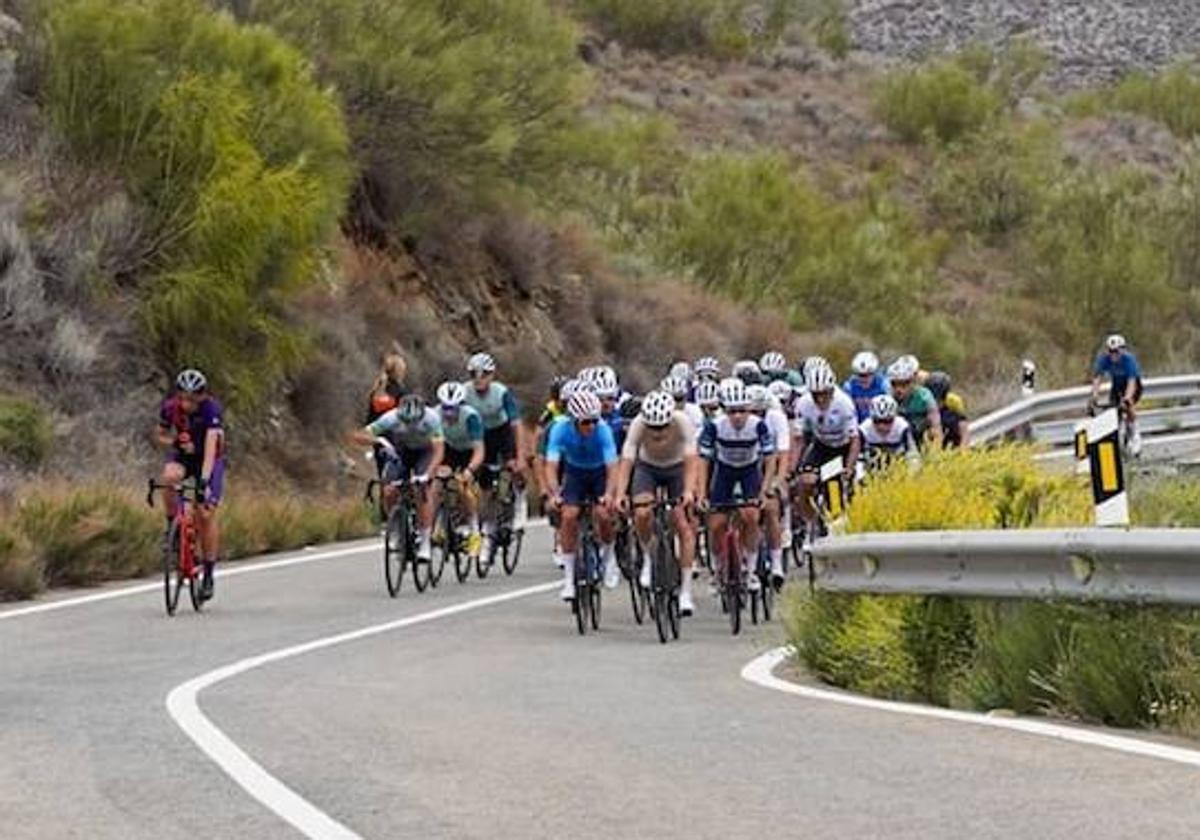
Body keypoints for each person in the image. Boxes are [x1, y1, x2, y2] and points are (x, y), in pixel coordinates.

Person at [615, 391, 701, 615]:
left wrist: (690, 491)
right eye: (653, 427)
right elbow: (627, 460)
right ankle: (648, 556)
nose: (658, 432)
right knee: (642, 514)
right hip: (648, 468)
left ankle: (685, 592)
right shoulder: (638, 424)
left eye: (662, 427)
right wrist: (620, 494)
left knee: (683, 524)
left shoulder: (683, 422)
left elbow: (692, 461)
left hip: (677, 467)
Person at [698, 378, 775, 593]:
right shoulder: (714, 427)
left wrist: (765, 490)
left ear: (749, 409)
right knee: (716, 525)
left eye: (742, 410)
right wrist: (702, 493)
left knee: (750, 516)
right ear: (724, 411)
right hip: (724, 472)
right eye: (732, 412)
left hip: (750, 471)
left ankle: (750, 572)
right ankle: (716, 572)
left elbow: (770, 459)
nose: (738, 416)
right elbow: (703, 462)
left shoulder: (758, 425)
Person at [156, 369, 226, 601]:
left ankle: (208, 573)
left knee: (205, 514)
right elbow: (160, 434)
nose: (187, 404)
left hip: (208, 460)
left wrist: (204, 482)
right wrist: (173, 440)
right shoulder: (170, 408)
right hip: (184, 459)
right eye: (183, 398)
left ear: (202, 397)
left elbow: (209, 450)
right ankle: (172, 528)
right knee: (169, 477)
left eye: (192, 399)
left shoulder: (211, 411)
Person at [544, 390, 619, 601]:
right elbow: (551, 466)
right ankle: (569, 579)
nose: (591, 427)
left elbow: (613, 467)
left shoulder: (603, 430)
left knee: (604, 515)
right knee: (568, 516)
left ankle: (608, 555)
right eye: (586, 423)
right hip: (575, 473)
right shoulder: (560, 429)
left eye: (594, 421)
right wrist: (554, 493)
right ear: (574, 420)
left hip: (599, 473)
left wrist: (609, 494)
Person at [352, 394, 444, 562]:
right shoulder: (391, 418)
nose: (411, 426)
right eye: (406, 422)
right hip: (401, 451)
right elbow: (359, 435)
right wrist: (377, 439)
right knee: (389, 490)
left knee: (421, 490)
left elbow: (439, 451)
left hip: (425, 452)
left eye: (414, 422)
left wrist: (428, 474)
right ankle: (395, 529)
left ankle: (425, 541)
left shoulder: (432, 418)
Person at [463, 352, 528, 545]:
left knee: (513, 465)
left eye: (484, 374)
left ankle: (520, 501)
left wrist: (521, 455)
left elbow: (517, 424)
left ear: (491, 376)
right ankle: (489, 523)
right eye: (473, 374)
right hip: (482, 436)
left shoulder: (501, 392)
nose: (478, 379)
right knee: (486, 484)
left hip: (503, 432)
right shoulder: (465, 392)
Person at [794, 364, 860, 537]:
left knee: (832, 486)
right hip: (821, 446)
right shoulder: (803, 403)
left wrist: (849, 467)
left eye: (825, 394)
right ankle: (810, 524)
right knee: (805, 481)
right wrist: (792, 467)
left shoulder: (844, 403)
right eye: (816, 395)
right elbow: (799, 439)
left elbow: (855, 440)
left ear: (832, 390)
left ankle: (836, 530)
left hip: (843, 448)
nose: (821, 399)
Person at [435, 382, 485, 559]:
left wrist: (470, 471)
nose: (449, 413)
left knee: (463, 487)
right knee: (436, 485)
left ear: (461, 405)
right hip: (448, 449)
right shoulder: (435, 415)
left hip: (469, 452)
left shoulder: (471, 417)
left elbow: (479, 450)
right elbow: (431, 447)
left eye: (453, 409)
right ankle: (440, 525)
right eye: (446, 408)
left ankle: (474, 532)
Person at [749, 384, 791, 585]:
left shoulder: (777, 418)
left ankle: (776, 563)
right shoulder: (739, 421)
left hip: (770, 464)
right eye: (752, 412)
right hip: (748, 465)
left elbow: (783, 455)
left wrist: (778, 481)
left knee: (771, 508)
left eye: (760, 412)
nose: (756, 416)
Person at [1091, 334, 1143, 454]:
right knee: (1114, 411)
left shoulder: (1129, 360)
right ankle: (1117, 437)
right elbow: (1097, 378)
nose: (1113, 354)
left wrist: (1127, 398)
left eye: (1116, 351)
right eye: (1111, 351)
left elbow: (1132, 382)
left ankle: (1135, 435)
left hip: (1133, 384)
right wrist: (1094, 395)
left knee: (1129, 405)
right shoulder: (1104, 359)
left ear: (1122, 350)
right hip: (1117, 385)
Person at [888, 356, 942, 449]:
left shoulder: (924, 396)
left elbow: (936, 426)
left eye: (904, 384)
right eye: (894, 384)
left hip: (921, 434)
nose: (899, 389)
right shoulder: (888, 398)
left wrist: (936, 451)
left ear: (912, 382)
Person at [858, 394, 920, 472]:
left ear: (894, 417)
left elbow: (913, 454)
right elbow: (857, 458)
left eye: (887, 421)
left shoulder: (902, 427)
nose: (882, 426)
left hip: (898, 468)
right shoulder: (864, 429)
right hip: (871, 468)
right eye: (877, 421)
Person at [925, 371, 969, 449]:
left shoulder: (954, 402)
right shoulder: (924, 406)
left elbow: (964, 429)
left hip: (953, 447)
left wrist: (963, 450)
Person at [843, 351, 889, 423]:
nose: (864, 379)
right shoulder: (849, 386)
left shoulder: (883, 385)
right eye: (860, 375)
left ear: (874, 373)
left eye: (868, 375)